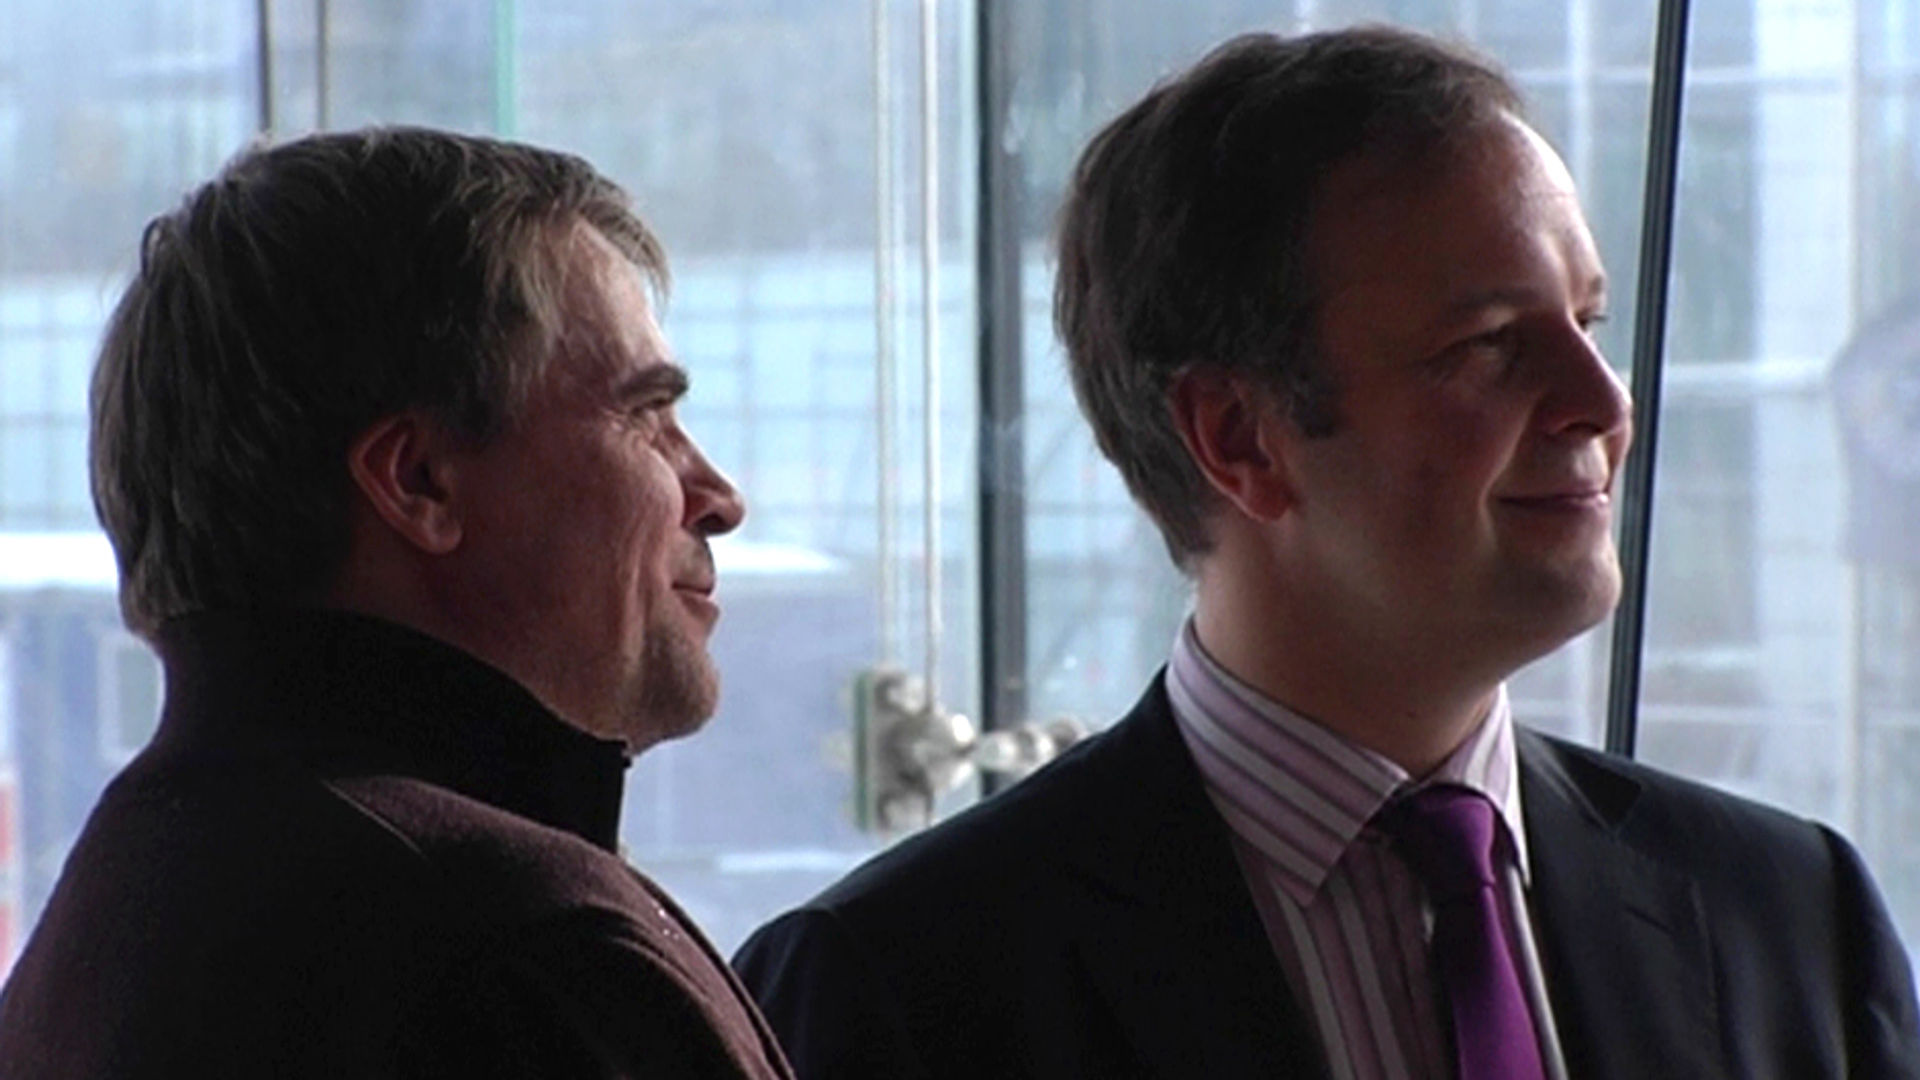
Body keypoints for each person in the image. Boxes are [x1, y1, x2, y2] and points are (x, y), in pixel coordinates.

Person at [733, 26, 1920, 1079]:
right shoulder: (899, 988)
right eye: (1488, 345)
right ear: (1240, 438)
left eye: (1589, 323)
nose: (1602, 402)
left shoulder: (1789, 918)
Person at [0, 127, 792, 1078]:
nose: (719, 497)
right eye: (645, 417)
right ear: (418, 481)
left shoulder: (112, 911)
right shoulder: (526, 956)